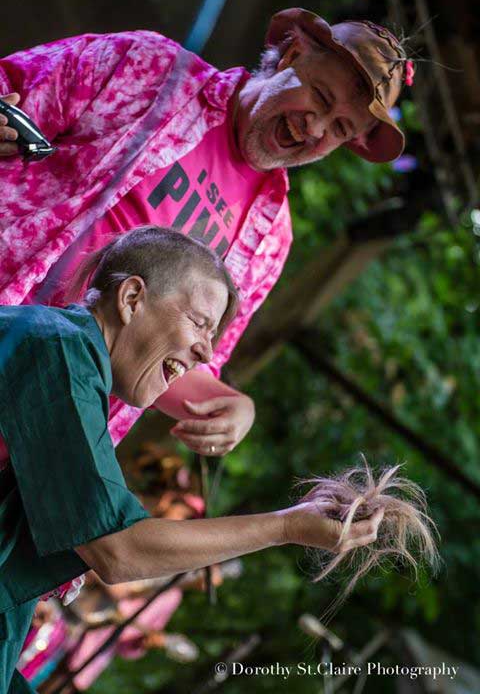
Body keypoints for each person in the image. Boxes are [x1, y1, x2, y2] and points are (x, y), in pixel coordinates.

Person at [0, 8, 412, 456]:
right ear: (292, 54)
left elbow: (181, 361)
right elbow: (12, 89)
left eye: (339, 129)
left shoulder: (271, 239)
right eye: (319, 95)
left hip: (36, 430)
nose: (314, 127)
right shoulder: (152, 67)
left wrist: (231, 405)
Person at [0, 226, 389, 694]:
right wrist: (287, 527)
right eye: (200, 323)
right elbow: (119, 551)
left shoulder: (66, 355)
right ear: (131, 298)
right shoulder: (55, 351)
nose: (207, 350)